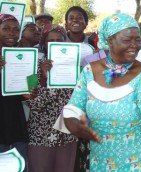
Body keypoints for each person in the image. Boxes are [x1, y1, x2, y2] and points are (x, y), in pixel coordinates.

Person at [61, 13, 141, 172]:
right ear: (110, 41)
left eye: (137, 40)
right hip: (99, 161)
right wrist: (75, 125)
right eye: (127, 40)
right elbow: (73, 108)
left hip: (136, 163)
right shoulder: (90, 70)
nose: (135, 45)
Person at [26, 24, 77, 172]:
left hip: (67, 134)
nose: (55, 43)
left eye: (59, 40)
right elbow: (34, 104)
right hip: (40, 134)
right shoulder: (32, 66)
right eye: (50, 40)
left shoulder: (74, 67)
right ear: (44, 43)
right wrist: (43, 77)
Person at [0, 14, 29, 171]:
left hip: (15, 120)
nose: (11, 33)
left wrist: (31, 92)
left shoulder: (24, 55)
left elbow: (30, 88)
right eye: (6, 29)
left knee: (20, 166)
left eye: (16, 30)